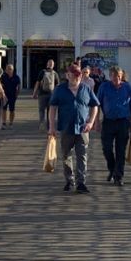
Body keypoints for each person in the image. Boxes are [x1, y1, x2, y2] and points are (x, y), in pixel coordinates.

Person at [48, 63, 99, 193]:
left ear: (81, 76)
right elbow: (53, 107)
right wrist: (52, 127)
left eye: (78, 74)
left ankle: (81, 182)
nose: (75, 77)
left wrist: (91, 122)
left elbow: (94, 105)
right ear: (67, 75)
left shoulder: (86, 89)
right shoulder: (60, 89)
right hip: (66, 128)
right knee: (66, 155)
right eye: (73, 74)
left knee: (82, 155)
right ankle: (69, 181)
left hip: (82, 128)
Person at [97, 65, 131, 186]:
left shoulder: (127, 87)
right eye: (114, 76)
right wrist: (96, 122)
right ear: (110, 76)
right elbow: (97, 104)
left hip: (123, 122)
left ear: (121, 76)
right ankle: (112, 169)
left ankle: (118, 176)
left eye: (119, 76)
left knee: (120, 150)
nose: (117, 79)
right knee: (106, 148)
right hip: (108, 121)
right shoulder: (104, 86)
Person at [32, 58, 59, 128]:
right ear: (53, 65)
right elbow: (57, 86)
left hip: (42, 94)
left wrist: (34, 93)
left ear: (47, 65)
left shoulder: (42, 72)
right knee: (50, 110)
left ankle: (42, 123)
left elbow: (37, 83)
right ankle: (49, 125)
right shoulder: (55, 73)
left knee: (41, 110)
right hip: (51, 94)